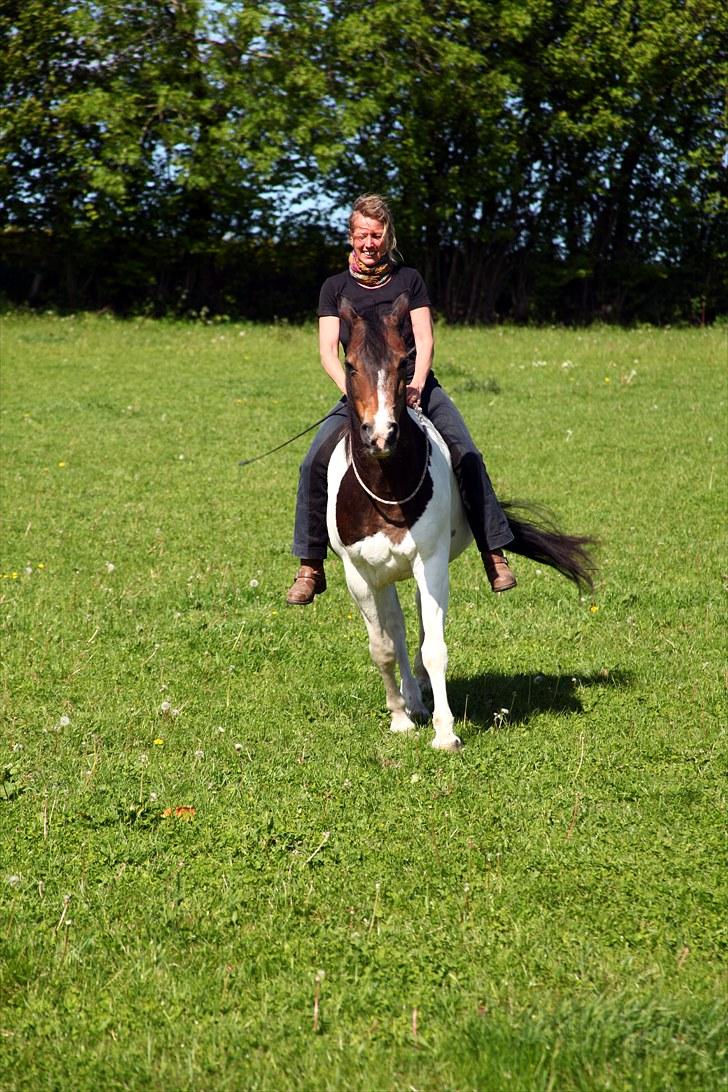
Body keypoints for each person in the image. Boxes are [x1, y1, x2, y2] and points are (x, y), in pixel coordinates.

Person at [286, 193, 516, 605]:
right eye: (361, 235)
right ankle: (310, 565)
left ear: (387, 236)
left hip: (412, 387)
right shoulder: (334, 288)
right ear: (351, 236)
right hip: (361, 394)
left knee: (466, 453)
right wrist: (352, 392)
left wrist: (417, 385)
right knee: (312, 462)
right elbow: (327, 352)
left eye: (375, 235)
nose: (368, 243)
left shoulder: (409, 280)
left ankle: (492, 551)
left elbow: (425, 341)